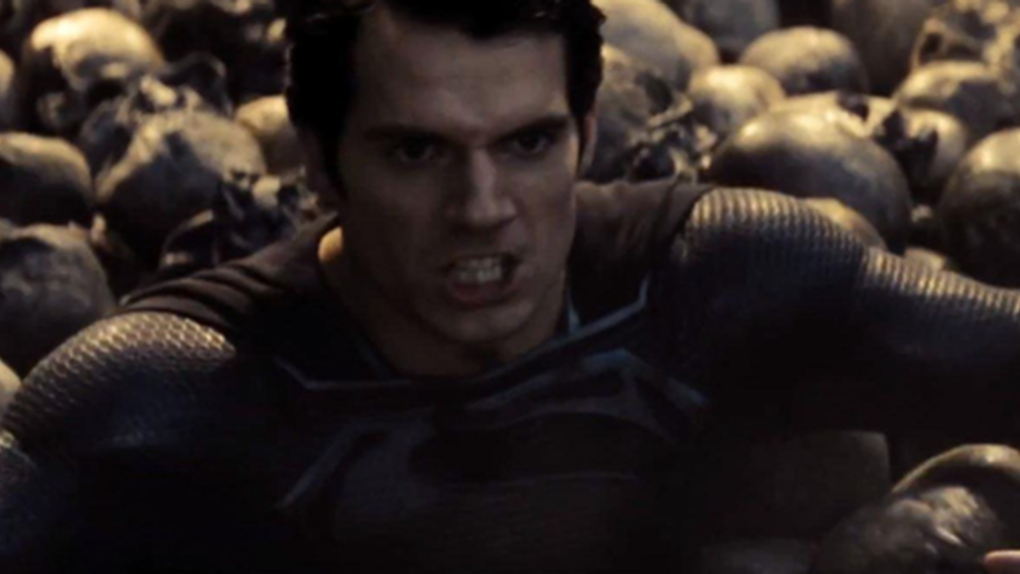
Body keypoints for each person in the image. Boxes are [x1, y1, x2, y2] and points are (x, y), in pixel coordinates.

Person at [1, 0, 1020, 571]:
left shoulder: (710, 276)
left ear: (586, 134)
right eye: (417, 152)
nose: (483, 206)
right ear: (320, 161)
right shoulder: (172, 389)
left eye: (529, 143)